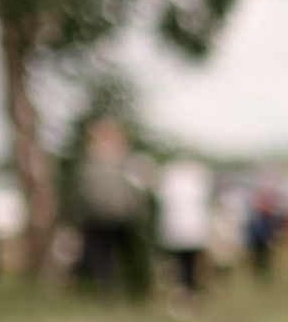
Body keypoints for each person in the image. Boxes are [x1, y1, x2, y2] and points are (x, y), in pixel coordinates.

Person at [74, 117, 147, 298]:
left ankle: (137, 288)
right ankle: (105, 290)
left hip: (124, 217)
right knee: (102, 257)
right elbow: (83, 191)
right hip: (97, 217)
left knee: (129, 254)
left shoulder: (126, 162)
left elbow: (137, 190)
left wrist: (135, 209)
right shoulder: (90, 163)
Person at [157, 150, 212, 308]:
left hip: (191, 231)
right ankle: (182, 292)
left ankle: (189, 291)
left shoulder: (196, 177)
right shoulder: (171, 177)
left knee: (190, 264)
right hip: (176, 230)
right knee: (178, 264)